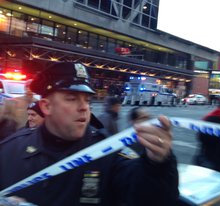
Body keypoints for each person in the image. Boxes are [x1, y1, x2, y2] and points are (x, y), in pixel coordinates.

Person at [0, 62, 179, 206]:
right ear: (46, 106)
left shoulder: (108, 151)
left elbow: (147, 197)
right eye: (71, 98)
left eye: (87, 99)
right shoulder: (10, 150)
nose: (84, 107)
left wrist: (158, 166)